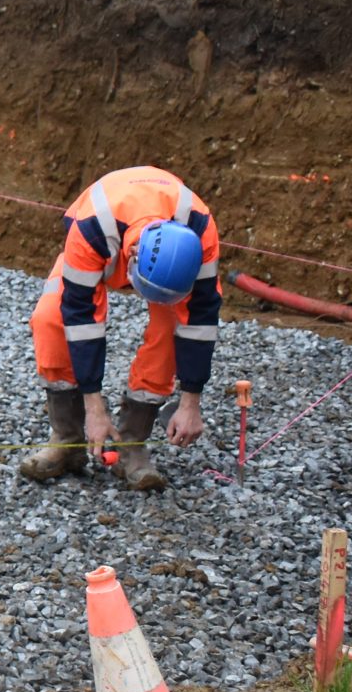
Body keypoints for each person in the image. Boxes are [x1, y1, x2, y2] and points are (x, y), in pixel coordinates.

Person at [18, 165, 221, 492]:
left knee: (172, 329)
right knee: (50, 319)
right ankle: (67, 439)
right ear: (132, 259)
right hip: (98, 239)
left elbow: (201, 319)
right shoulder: (90, 228)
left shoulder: (201, 232)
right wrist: (93, 409)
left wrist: (190, 403)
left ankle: (131, 447)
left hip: (163, 246)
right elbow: (80, 319)